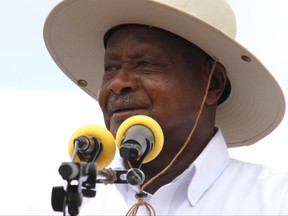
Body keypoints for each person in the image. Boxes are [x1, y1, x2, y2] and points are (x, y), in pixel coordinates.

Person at [42, 0, 288, 215]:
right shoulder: (61, 205)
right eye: (110, 68)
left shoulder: (276, 201)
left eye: (146, 64)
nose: (117, 84)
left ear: (213, 84)